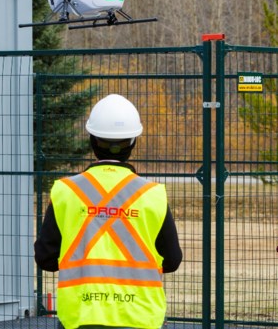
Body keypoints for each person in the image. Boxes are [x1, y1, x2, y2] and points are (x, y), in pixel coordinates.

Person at [34, 93, 182, 329]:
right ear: (133, 142)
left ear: (93, 141)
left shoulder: (66, 191)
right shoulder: (152, 194)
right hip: (141, 318)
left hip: (80, 317)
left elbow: (46, 259)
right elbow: (172, 260)